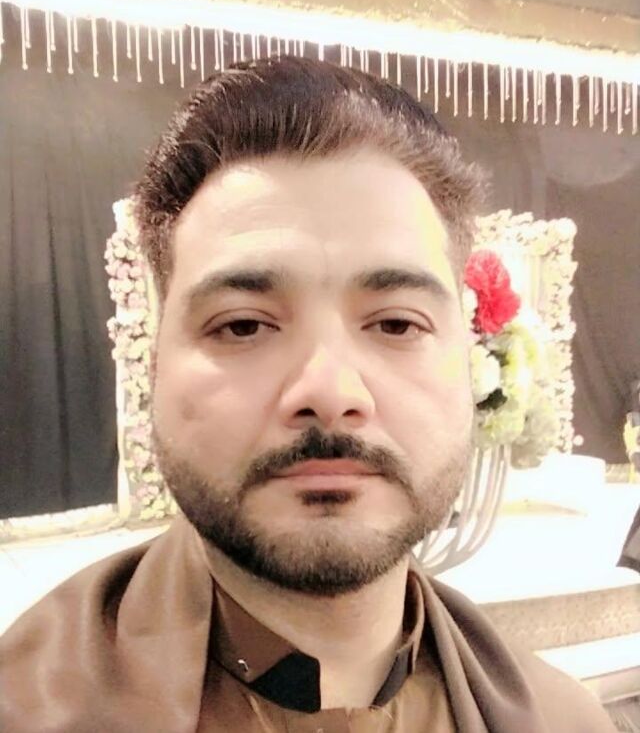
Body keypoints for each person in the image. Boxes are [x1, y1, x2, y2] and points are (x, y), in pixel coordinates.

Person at [0, 57, 616, 732]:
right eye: (243, 325)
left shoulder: (563, 720)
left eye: (396, 324)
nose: (329, 391)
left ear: (466, 364)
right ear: (154, 369)